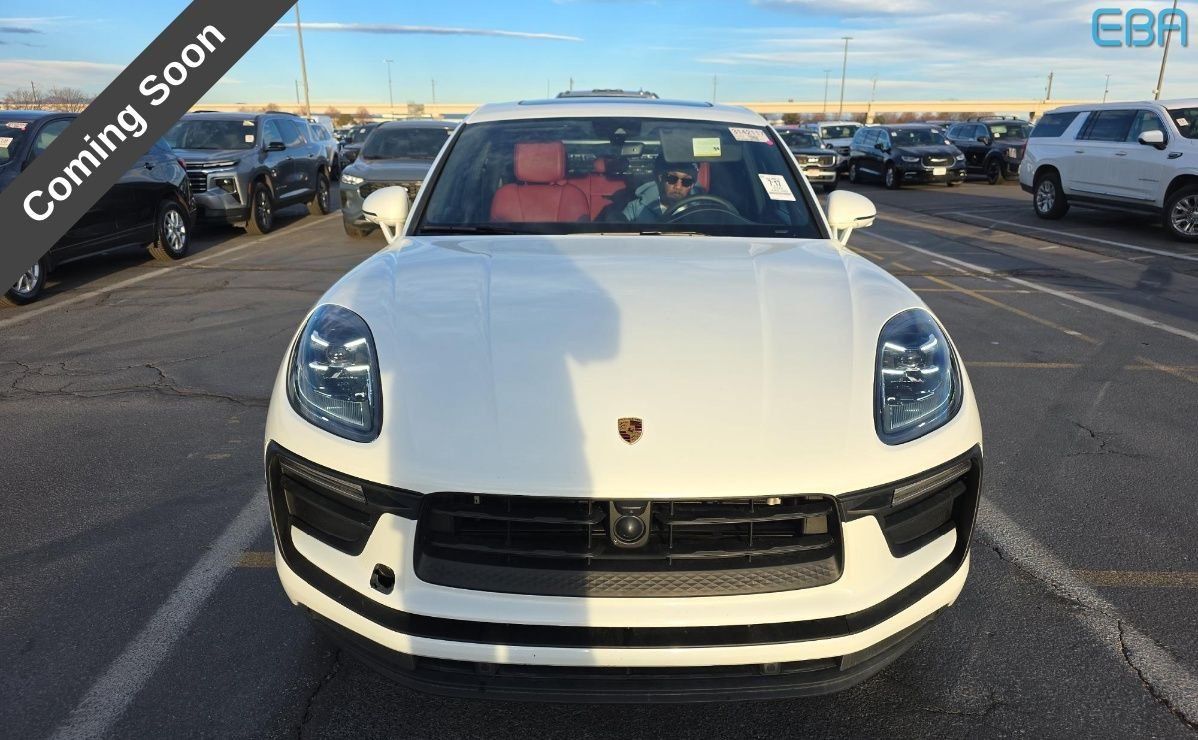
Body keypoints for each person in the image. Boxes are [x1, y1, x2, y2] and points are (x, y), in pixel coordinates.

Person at [621, 158, 701, 223]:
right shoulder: (636, 208)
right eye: (672, 179)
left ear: (692, 185)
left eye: (686, 181)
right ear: (660, 178)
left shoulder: (702, 210)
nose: (678, 187)